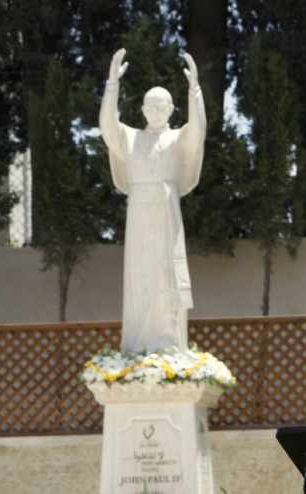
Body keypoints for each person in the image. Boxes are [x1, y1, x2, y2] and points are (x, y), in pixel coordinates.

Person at [99, 48, 206, 353]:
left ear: (172, 109)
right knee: (139, 279)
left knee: (165, 277)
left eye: (162, 107)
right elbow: (107, 126)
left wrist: (194, 92)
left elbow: (198, 133)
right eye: (151, 106)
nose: (156, 112)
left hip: (166, 212)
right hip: (138, 214)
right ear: (143, 109)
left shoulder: (178, 138)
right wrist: (112, 85)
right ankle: (137, 345)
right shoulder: (130, 137)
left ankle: (169, 345)